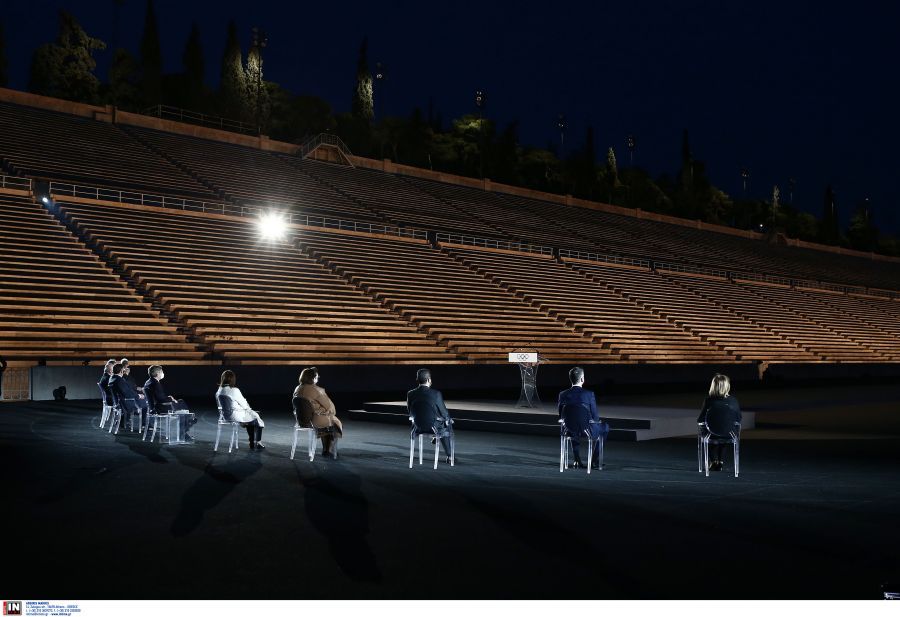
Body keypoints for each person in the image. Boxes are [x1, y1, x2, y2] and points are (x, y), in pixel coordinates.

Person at [557, 367, 610, 469]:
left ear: (570, 379)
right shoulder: (589, 394)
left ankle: (576, 459)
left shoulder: (562, 394)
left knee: (572, 423)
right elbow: (595, 416)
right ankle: (594, 460)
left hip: (568, 430)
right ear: (582, 379)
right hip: (587, 430)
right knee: (605, 427)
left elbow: (561, 415)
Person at [406, 368, 455, 464]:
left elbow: (410, 411)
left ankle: (435, 435)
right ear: (429, 380)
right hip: (434, 427)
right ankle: (449, 456)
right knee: (448, 423)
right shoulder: (436, 394)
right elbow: (444, 412)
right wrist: (448, 420)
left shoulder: (410, 394)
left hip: (417, 427)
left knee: (431, 414)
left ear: (417, 380)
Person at [293, 367, 343, 457]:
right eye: (317, 376)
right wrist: (326, 411)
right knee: (334, 421)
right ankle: (329, 450)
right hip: (315, 420)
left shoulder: (297, 389)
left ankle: (327, 449)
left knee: (327, 420)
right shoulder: (317, 390)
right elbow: (331, 407)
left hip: (302, 421)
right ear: (313, 378)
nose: (318, 378)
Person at [697, 374, 742, 472]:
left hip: (711, 434)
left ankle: (714, 461)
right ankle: (720, 461)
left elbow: (700, 420)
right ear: (727, 386)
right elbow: (739, 418)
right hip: (729, 434)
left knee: (708, 434)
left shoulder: (709, 401)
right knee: (724, 431)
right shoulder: (733, 400)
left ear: (713, 386)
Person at [216, 370, 266, 450]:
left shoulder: (219, 391)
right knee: (256, 416)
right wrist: (249, 410)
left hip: (225, 416)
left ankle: (251, 441)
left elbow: (221, 406)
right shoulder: (234, 390)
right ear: (233, 379)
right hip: (234, 415)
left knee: (251, 417)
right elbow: (244, 404)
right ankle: (257, 442)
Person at [144, 365, 195, 441]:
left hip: (154, 407)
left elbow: (158, 397)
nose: (163, 373)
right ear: (158, 373)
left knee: (181, 405)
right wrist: (171, 400)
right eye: (162, 372)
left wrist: (169, 398)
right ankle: (185, 428)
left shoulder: (148, 382)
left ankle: (187, 423)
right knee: (182, 406)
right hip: (161, 408)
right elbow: (161, 399)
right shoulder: (155, 384)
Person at [110, 362, 146, 430]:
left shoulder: (112, 378)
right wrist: (138, 395)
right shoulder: (119, 380)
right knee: (145, 405)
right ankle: (145, 425)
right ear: (121, 371)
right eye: (124, 370)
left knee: (142, 400)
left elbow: (127, 391)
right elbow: (127, 394)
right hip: (125, 403)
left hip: (120, 402)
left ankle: (123, 422)